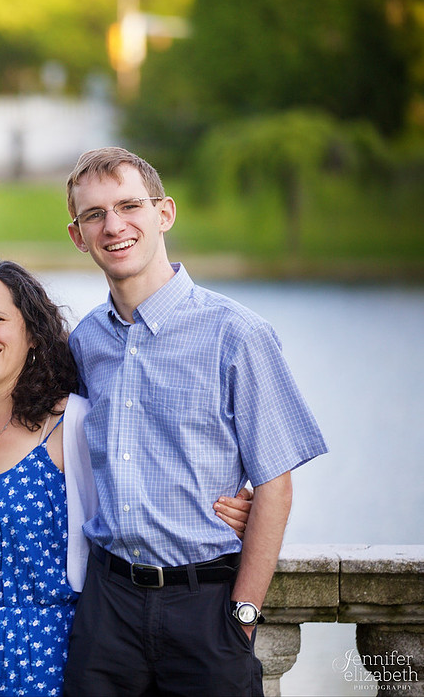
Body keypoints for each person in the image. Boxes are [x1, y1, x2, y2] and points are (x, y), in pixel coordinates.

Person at [61, 146, 329, 695]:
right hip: (107, 606)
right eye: (94, 215)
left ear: (165, 214)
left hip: (206, 606)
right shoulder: (85, 342)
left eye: (129, 206)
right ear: (78, 235)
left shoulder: (238, 335)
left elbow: (275, 486)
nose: (114, 226)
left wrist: (245, 615)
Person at [0, 260, 251, 697]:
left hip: (46, 653)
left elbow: (137, 481)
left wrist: (228, 506)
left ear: (32, 333)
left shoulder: (72, 421)